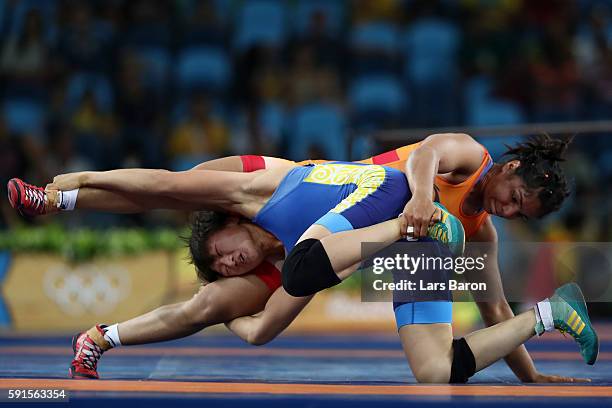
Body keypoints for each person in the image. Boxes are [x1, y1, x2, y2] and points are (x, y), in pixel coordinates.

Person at [7, 133, 593, 384]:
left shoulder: (480, 224)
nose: (510, 211)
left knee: (434, 373)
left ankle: (548, 315)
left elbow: (492, 306)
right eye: (515, 200)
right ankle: (63, 200)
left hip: (373, 213)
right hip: (373, 217)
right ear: (513, 172)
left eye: (520, 211)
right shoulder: (466, 162)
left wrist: (530, 376)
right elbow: (431, 152)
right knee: (196, 241)